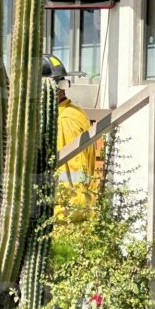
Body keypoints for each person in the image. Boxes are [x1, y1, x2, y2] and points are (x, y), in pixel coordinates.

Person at [45, 54, 97, 220]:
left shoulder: (63, 121)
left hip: (67, 215)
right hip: (76, 211)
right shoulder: (73, 111)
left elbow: (70, 174)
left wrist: (62, 214)